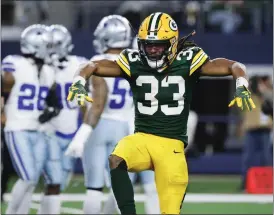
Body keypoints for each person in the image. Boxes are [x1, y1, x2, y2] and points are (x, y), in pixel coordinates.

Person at [67, 12, 256, 214]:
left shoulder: (188, 61)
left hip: (171, 145)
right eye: (148, 45)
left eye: (159, 44)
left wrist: (241, 83)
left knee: (169, 209)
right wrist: (79, 80)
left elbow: (234, 65)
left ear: (173, 43)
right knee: (117, 159)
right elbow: (91, 65)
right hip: (142, 139)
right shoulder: (134, 61)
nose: (153, 50)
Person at [65, 15, 157, 214]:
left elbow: (97, 102)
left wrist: (81, 135)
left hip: (97, 125)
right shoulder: (137, 61)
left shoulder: (97, 62)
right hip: (126, 127)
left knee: (94, 188)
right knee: (120, 186)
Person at [1, 24, 55, 214]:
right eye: (47, 45)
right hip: (17, 126)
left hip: (38, 129)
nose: (50, 50)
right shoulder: (14, 63)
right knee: (28, 176)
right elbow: (3, 86)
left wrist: (52, 109)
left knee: (31, 182)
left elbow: (53, 99)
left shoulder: (48, 71)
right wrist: (2, 113)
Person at [36, 24, 88, 214]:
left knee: (60, 182)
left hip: (70, 130)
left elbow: (83, 101)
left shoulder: (80, 64)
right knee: (54, 180)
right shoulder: (43, 68)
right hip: (48, 129)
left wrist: (84, 130)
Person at [240, 75, 273, 190]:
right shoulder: (248, 95)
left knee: (267, 158)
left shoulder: (268, 94)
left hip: (265, 130)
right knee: (248, 158)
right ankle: (245, 184)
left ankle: (269, 184)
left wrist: (264, 90)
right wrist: (251, 86)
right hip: (251, 130)